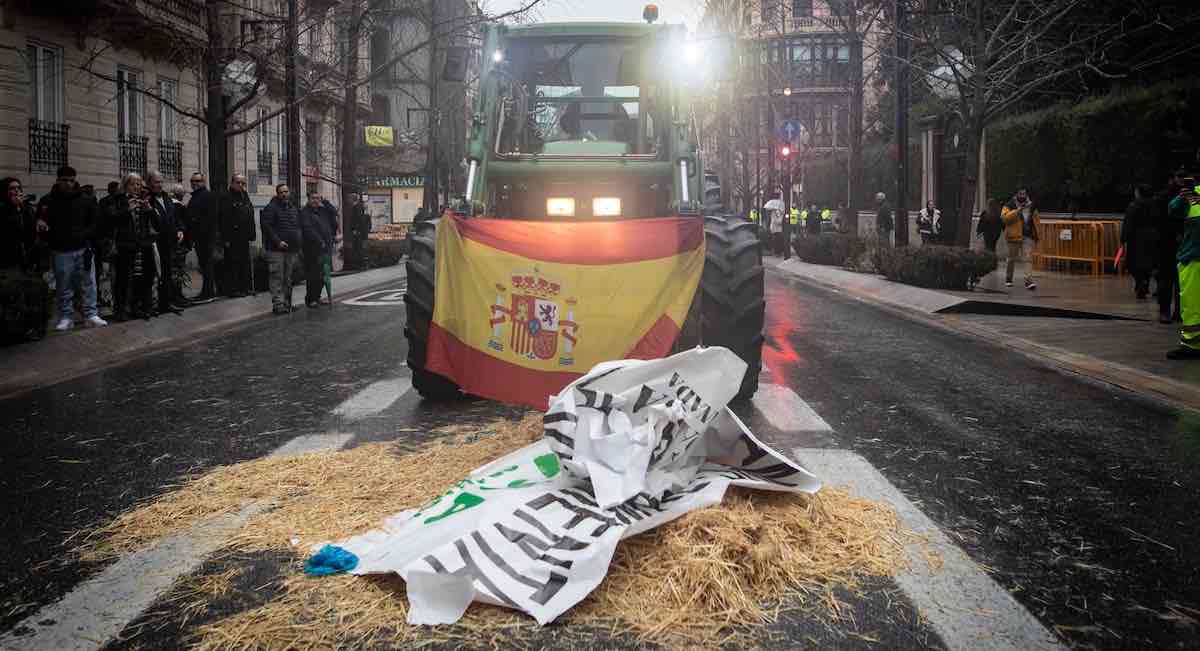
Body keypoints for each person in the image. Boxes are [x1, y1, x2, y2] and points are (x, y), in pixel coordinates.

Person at [37, 165, 106, 330]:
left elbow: (95, 223)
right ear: (58, 180)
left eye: (71, 180)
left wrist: (84, 235)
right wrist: (46, 231)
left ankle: (91, 314)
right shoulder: (47, 201)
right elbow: (41, 222)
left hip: (83, 248)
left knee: (88, 283)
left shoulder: (86, 199)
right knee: (63, 285)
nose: (68, 184)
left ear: (75, 180)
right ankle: (66, 316)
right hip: (60, 250)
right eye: (64, 180)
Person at [1, 177, 49, 341]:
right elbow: (9, 232)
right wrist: (15, 210)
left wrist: (25, 211)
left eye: (18, 188)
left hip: (27, 260)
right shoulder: (3, 209)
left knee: (34, 294)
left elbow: (29, 234)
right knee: (12, 298)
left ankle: (33, 328)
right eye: (11, 188)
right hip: (8, 261)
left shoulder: (26, 208)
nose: (16, 191)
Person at [110, 173, 160, 321]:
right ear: (125, 185)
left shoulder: (145, 200)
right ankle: (121, 310)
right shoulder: (118, 200)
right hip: (125, 246)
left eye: (139, 184)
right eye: (133, 184)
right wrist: (127, 210)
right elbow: (111, 221)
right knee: (123, 279)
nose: (137, 187)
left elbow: (158, 224)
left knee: (143, 278)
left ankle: (138, 307)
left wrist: (149, 209)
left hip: (143, 246)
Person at [1168, 177, 1200, 358]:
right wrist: (1181, 196)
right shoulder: (1192, 193)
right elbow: (1172, 210)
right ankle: (1192, 344)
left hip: (1192, 255)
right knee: (1191, 306)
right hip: (1192, 257)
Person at [146, 172, 186, 315]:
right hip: (155, 243)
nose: (160, 184)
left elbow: (175, 217)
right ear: (149, 183)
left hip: (169, 242)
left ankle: (166, 303)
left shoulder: (166, 198)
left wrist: (180, 230)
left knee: (167, 274)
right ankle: (152, 305)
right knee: (155, 274)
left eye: (161, 182)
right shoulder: (147, 199)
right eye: (156, 182)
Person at [260, 183, 302, 314]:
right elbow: (267, 227)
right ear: (277, 194)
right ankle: (278, 304)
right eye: (281, 192)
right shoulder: (271, 208)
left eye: (286, 191)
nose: (284, 194)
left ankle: (288, 303)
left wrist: (298, 242)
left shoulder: (293, 208)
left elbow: (297, 226)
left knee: (288, 277)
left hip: (291, 249)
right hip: (276, 249)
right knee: (277, 276)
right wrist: (278, 241)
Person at [218, 174, 255, 297]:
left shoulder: (245, 196)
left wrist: (252, 234)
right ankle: (233, 290)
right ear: (232, 183)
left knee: (245, 263)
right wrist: (225, 238)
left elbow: (250, 215)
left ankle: (245, 287)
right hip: (232, 237)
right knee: (233, 264)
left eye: (243, 183)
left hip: (244, 236)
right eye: (238, 182)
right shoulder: (226, 197)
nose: (241, 185)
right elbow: (224, 219)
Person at [300, 191, 339, 308]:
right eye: (313, 198)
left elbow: (334, 212)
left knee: (324, 274)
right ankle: (310, 299)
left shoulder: (323, 211)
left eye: (318, 198)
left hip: (326, 247)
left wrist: (325, 202)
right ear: (308, 199)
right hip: (312, 249)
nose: (316, 201)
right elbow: (308, 229)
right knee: (313, 275)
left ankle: (317, 297)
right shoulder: (305, 212)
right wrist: (319, 241)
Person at [1121, 184, 1158, 299]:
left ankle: (1140, 282)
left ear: (1139, 193)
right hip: (1153, 237)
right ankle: (1145, 282)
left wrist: (1123, 238)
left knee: (1134, 264)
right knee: (1149, 263)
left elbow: (1128, 223)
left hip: (1136, 239)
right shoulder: (1156, 205)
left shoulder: (1134, 206)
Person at [1000, 188, 1041, 290]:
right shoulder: (1009, 205)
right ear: (1016, 194)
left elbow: (1036, 219)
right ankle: (1008, 279)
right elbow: (1004, 218)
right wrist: (1018, 211)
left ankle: (1028, 281)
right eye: (1020, 194)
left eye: (1024, 194)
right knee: (1011, 259)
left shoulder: (1031, 205)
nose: (1022, 196)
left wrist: (1037, 233)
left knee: (1028, 259)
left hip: (1027, 236)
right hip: (1013, 236)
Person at [187, 172, 218, 301]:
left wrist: (204, 234)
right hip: (199, 237)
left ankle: (208, 293)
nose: (195, 183)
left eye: (198, 181)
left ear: (203, 182)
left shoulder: (206, 196)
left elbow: (210, 218)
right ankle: (207, 291)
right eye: (193, 181)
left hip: (205, 237)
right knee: (204, 265)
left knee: (207, 265)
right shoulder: (195, 196)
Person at [348, 194, 372, 270]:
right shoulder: (360, 206)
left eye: (349, 198)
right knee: (360, 248)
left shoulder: (356, 207)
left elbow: (358, 219)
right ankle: (362, 264)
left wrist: (356, 230)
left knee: (359, 248)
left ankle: (360, 265)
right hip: (362, 232)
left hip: (359, 232)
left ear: (352, 199)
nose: (348, 200)